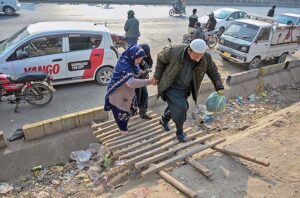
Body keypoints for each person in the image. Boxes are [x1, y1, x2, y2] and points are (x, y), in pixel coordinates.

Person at [152, 39, 224, 142]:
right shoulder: (175, 51)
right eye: (195, 56)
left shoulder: (206, 58)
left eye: (200, 57)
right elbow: (161, 58)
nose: (198, 60)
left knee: (176, 106)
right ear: (189, 50)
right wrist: (157, 76)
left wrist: (219, 87)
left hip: (185, 89)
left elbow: (214, 72)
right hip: (170, 85)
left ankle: (164, 120)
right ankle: (180, 132)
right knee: (182, 108)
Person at [104, 45, 154, 135]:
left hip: (126, 92)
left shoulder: (130, 60)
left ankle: (125, 123)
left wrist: (141, 72)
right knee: (120, 111)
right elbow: (131, 83)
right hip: (117, 93)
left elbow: (136, 68)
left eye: (140, 60)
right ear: (132, 57)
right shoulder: (124, 65)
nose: (138, 62)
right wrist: (149, 81)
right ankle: (122, 129)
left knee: (129, 108)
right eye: (138, 60)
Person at [135, 44, 153, 119]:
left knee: (145, 94)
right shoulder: (135, 55)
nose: (144, 57)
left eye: (146, 55)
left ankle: (143, 113)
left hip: (142, 80)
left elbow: (150, 65)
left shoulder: (147, 56)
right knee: (136, 97)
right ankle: (132, 111)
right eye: (143, 55)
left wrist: (144, 64)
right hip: (134, 81)